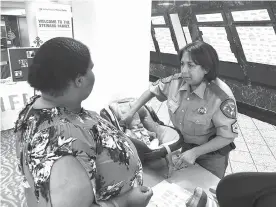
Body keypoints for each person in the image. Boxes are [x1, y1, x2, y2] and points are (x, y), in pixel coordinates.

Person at [14, 37, 153, 207]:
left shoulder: (34, 108)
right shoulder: (60, 138)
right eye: (91, 69)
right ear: (79, 80)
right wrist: (125, 201)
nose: (93, 74)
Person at [120, 41, 238, 179]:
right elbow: (152, 90)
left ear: (206, 68)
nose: (184, 71)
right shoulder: (176, 81)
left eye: (191, 65)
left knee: (209, 189)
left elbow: (227, 137)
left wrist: (196, 152)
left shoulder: (221, 97)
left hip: (212, 155)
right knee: (185, 185)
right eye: (182, 64)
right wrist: (131, 112)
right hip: (186, 146)